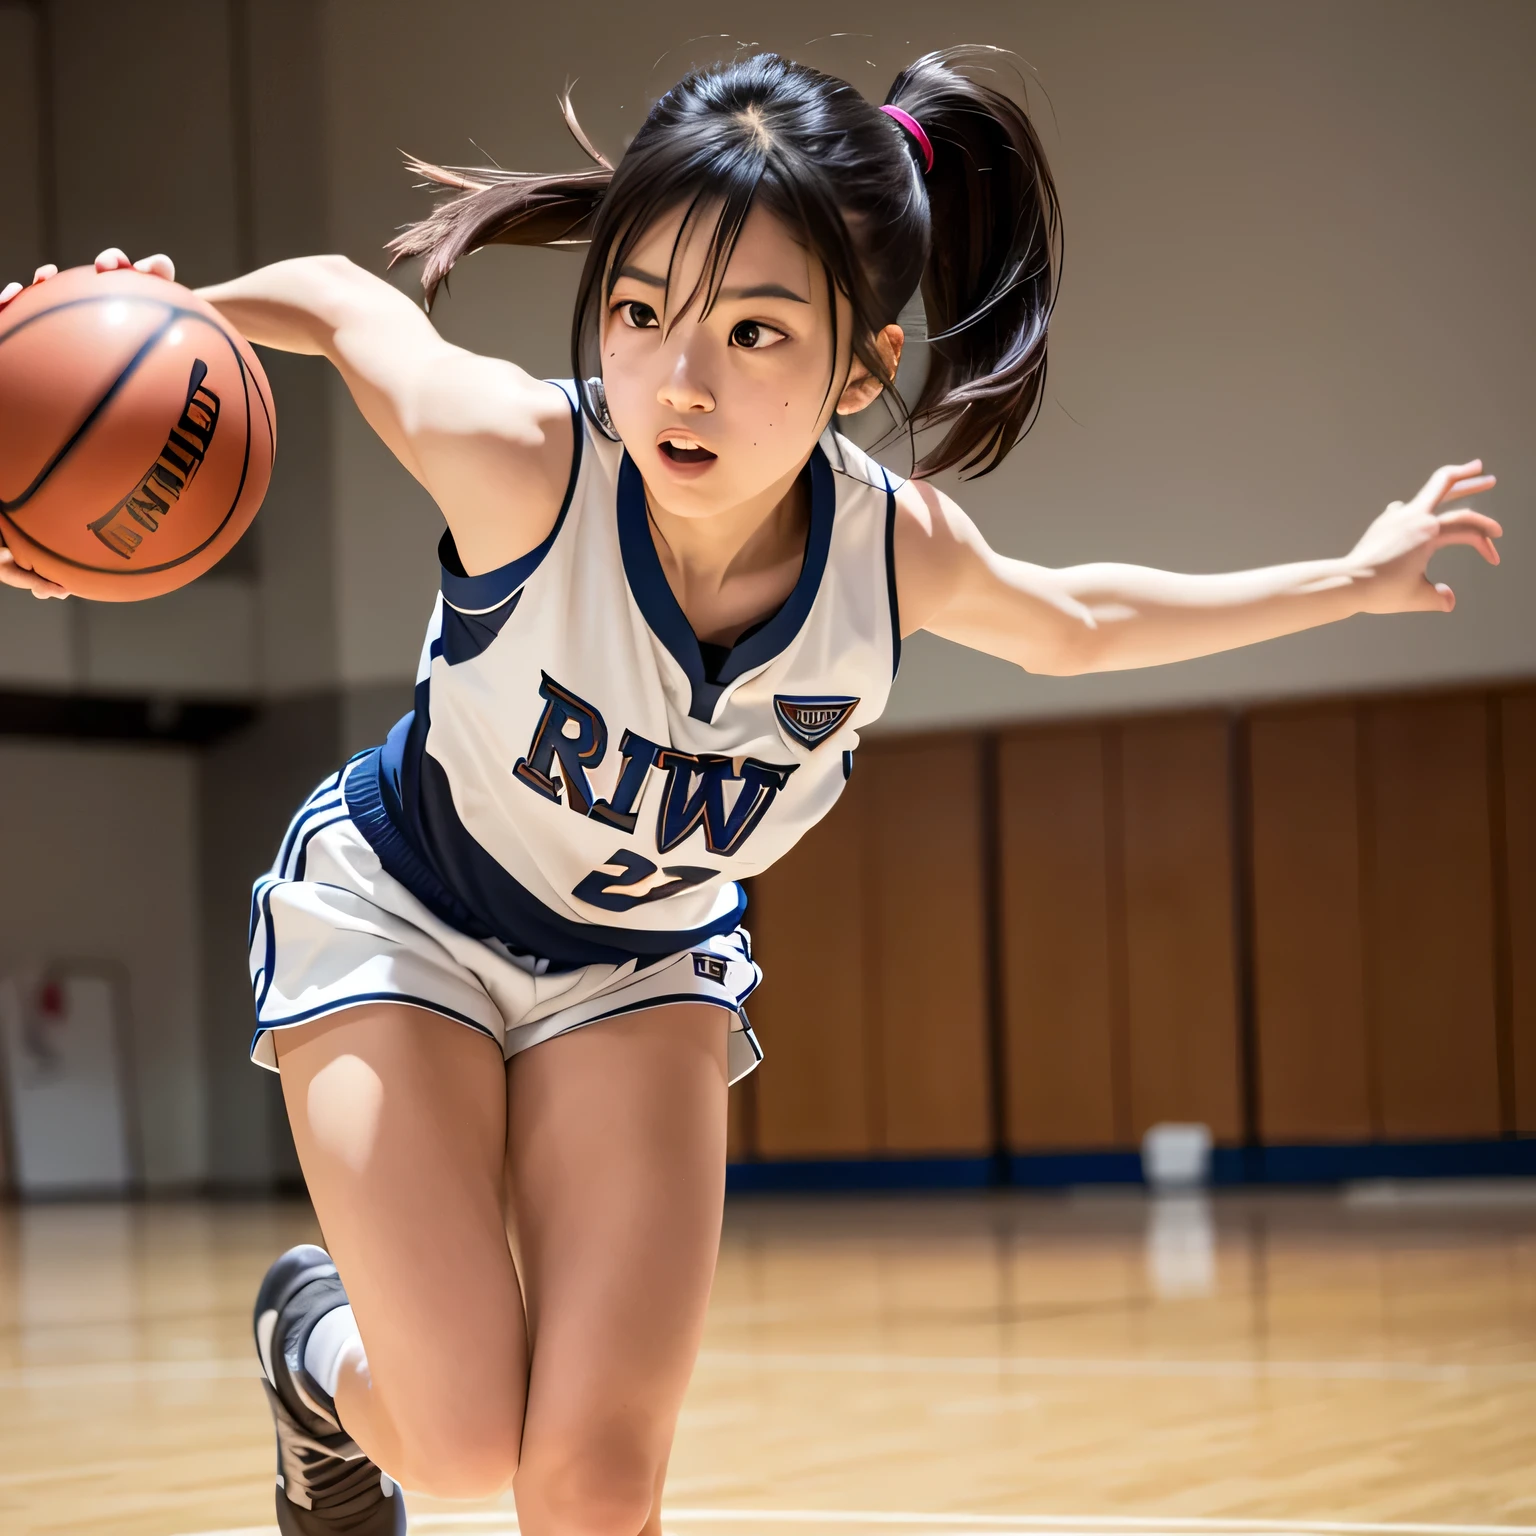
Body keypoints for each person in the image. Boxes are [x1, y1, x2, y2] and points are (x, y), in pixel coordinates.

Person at [0, 47, 1500, 1536]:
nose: (680, 378)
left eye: (756, 332)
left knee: (590, 1491)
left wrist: (1349, 582)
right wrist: (159, 319)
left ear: (863, 366)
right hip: (408, 920)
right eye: (642, 312)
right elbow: (342, 303)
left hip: (639, 966)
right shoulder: (523, 462)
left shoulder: (891, 553)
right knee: (456, 1448)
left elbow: (1085, 619)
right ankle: (311, 1353)